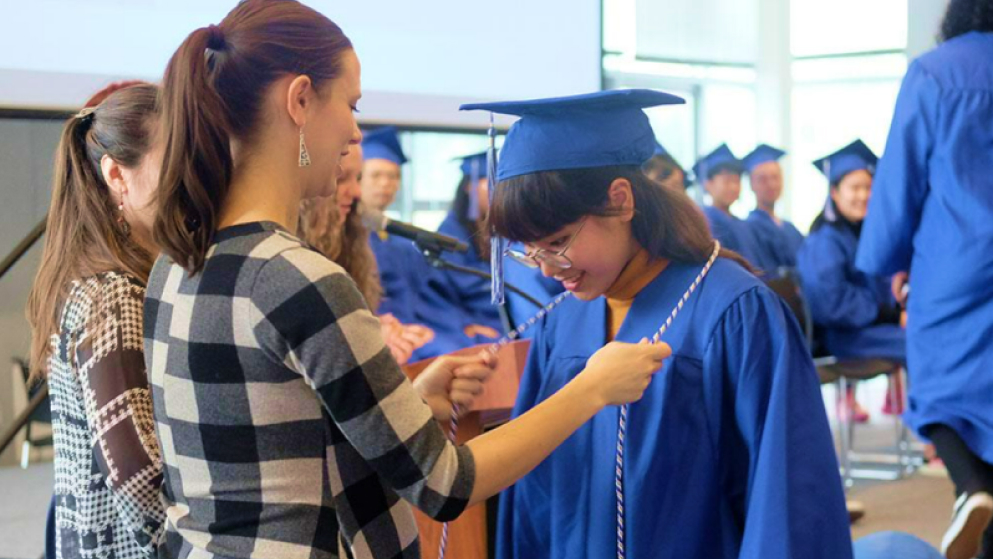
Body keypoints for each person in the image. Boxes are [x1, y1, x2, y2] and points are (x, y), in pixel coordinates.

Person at [147, 3, 669, 558]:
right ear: (299, 100)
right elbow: (444, 484)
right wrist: (592, 389)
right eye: (350, 105)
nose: (354, 131)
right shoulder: (298, 279)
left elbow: (278, 447)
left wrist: (409, 405)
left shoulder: (174, 264)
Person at [462, 89, 852, 559]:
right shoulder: (561, 325)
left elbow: (785, 503)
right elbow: (533, 503)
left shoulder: (734, 313)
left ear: (621, 200)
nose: (546, 269)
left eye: (559, 241)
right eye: (529, 251)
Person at [854, 2, 993, 556]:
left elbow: (901, 177)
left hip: (954, 258)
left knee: (937, 389)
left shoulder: (936, 71)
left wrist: (887, 260)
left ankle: (972, 488)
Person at [26, 82, 166, 558]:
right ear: (116, 175)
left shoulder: (95, 280)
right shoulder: (115, 295)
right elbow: (137, 475)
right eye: (175, 165)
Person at [796, 140, 906, 423]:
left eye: (868, 188)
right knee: (922, 343)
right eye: (855, 188)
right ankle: (935, 434)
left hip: (866, 330)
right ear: (834, 192)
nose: (864, 195)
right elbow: (832, 304)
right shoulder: (824, 241)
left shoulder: (859, 235)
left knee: (928, 334)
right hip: (842, 337)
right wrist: (888, 314)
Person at [415, 151, 561, 357]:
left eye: (501, 183)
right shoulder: (450, 234)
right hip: (474, 319)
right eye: (488, 181)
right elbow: (438, 293)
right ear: (469, 186)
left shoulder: (509, 229)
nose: (496, 190)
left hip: (513, 317)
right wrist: (464, 324)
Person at [299, 144, 433, 364]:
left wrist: (379, 323)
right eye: (341, 179)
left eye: (357, 178)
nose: (356, 192)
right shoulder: (294, 257)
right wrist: (367, 331)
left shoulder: (352, 239)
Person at [360, 126, 427, 324]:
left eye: (393, 176)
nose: (385, 184)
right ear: (358, 178)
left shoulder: (400, 239)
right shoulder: (347, 235)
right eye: (376, 175)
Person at [693, 143, 765, 271]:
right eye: (727, 181)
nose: (733, 187)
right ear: (708, 184)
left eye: (736, 181)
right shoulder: (706, 221)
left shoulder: (744, 225)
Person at [743, 144, 804, 275]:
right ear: (751, 184)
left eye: (775, 177)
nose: (771, 184)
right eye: (762, 179)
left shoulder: (790, 228)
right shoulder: (749, 229)